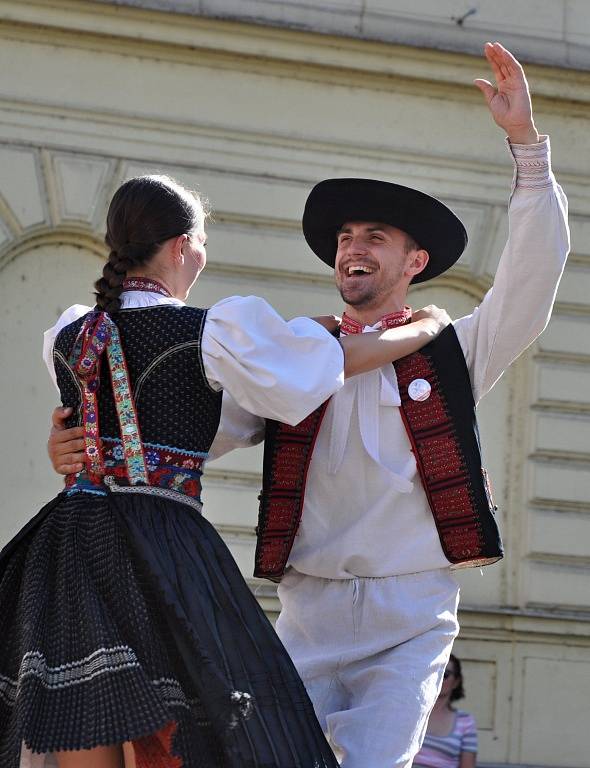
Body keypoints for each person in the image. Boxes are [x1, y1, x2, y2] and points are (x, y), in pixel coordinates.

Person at [46, 42, 570, 768]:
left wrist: (527, 151)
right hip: (307, 614)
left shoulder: (452, 350)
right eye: (346, 238)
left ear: (413, 263)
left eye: (375, 238)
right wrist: (78, 442)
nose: (353, 247)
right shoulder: (288, 355)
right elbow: (189, 432)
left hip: (410, 614)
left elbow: (531, 284)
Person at [0, 174, 451, 768]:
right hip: (158, 540)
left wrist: (64, 442)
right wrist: (426, 327)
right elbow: (325, 367)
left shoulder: (70, 329)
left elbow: (87, 418)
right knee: (223, 717)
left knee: (85, 706)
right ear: (183, 246)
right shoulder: (209, 330)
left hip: (69, 542)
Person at [413, 654, 478, 768]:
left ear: (456, 682)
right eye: (435, 672)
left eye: (445, 675)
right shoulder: (412, 711)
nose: (438, 678)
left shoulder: (465, 721)